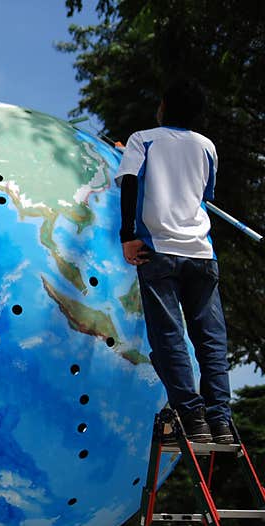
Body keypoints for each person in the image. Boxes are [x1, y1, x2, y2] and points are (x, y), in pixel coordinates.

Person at [115, 77, 232, 444]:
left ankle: (191, 414)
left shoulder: (142, 139)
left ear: (162, 105)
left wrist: (127, 235)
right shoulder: (207, 147)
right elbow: (202, 194)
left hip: (158, 250)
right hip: (201, 252)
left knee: (169, 336)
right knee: (211, 339)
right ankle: (221, 421)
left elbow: (131, 181)